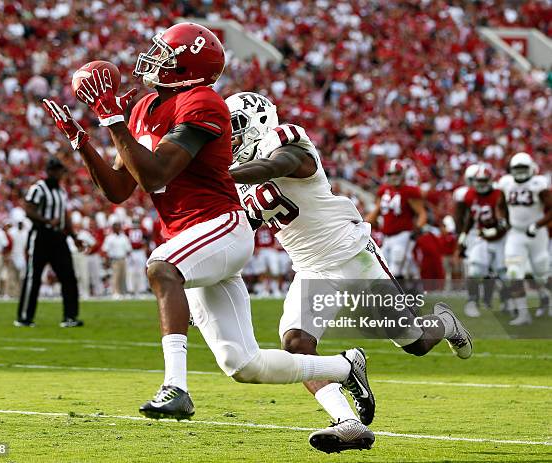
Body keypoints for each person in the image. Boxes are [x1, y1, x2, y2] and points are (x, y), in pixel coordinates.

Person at [42, 23, 376, 436]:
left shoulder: (203, 102)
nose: (154, 57)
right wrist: (82, 140)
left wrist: (112, 118)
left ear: (188, 69)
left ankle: (175, 387)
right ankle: (345, 366)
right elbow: (118, 188)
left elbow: (156, 175)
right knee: (243, 364)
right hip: (190, 238)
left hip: (221, 225)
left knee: (161, 267)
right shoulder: (145, 108)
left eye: (167, 53)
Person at [226, 91, 472, 453]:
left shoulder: (285, 141)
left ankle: (446, 323)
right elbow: (239, 231)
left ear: (259, 120)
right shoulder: (240, 178)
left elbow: (274, 167)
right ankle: (347, 421)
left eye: (236, 126)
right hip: (310, 268)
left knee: (414, 342)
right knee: (297, 344)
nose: (229, 136)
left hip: (352, 257)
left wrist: (217, 174)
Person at [15, 158, 83, 327]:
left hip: (59, 237)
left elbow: (64, 216)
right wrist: (45, 220)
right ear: (51, 171)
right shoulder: (38, 188)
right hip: (40, 235)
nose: (61, 174)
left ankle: (70, 317)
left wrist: (74, 237)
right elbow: (28, 209)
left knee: (68, 277)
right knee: (33, 277)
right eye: (59, 171)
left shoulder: (61, 191)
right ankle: (24, 317)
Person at [498, 152, 552, 324]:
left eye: (523, 168)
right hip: (516, 233)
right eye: (517, 168)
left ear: (531, 168)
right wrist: (503, 221)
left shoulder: (539, 184)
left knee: (541, 272)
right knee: (514, 271)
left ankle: (546, 299)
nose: (520, 172)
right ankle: (523, 314)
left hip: (537, 233)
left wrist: (537, 225)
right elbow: (500, 205)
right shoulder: (506, 183)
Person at [457, 163, 508, 319]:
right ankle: (472, 302)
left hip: (500, 238)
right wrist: (463, 235)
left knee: (503, 272)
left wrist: (494, 230)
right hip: (482, 237)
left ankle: (507, 302)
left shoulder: (498, 194)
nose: (482, 184)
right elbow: (471, 217)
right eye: (479, 181)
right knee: (476, 270)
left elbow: (504, 221)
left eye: (484, 181)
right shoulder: (470, 195)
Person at [366, 160, 427, 280]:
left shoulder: (409, 191)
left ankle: (401, 296)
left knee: (396, 267)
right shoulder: (383, 190)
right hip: (386, 236)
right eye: (390, 174)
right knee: (383, 268)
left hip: (403, 235)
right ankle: (407, 292)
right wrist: (364, 223)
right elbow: (377, 210)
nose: (394, 177)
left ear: (403, 174)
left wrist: (418, 228)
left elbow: (422, 213)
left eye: (396, 173)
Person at [102, 221, 132, 299]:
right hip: (114, 259)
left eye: (119, 227)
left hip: (123, 259)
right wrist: (106, 261)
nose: (118, 228)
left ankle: (123, 292)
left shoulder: (124, 237)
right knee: (115, 276)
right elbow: (105, 250)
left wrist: (128, 258)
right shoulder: (109, 238)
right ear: (113, 228)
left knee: (123, 276)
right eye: (116, 227)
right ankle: (115, 292)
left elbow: (128, 249)